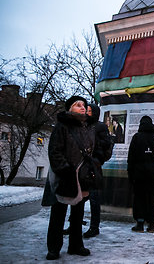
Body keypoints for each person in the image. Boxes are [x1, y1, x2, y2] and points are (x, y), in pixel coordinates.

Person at [41, 96, 94, 260]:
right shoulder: (61, 126)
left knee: (78, 214)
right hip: (64, 175)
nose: (82, 107)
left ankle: (76, 245)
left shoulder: (86, 127)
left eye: (83, 105)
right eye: (78, 105)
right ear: (69, 108)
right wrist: (64, 169)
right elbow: (55, 151)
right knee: (58, 213)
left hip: (81, 176)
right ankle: (54, 248)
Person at [83, 103, 114, 238]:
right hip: (81, 165)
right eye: (86, 110)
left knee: (94, 198)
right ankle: (74, 224)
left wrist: (97, 159)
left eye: (90, 111)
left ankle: (94, 227)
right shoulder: (82, 125)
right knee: (78, 198)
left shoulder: (100, 127)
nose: (87, 113)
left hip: (93, 166)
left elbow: (106, 146)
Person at [127, 116, 154, 233]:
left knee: (139, 198)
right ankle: (151, 223)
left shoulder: (137, 137)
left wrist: (131, 174)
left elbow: (131, 157)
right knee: (152, 198)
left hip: (139, 174)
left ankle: (140, 223)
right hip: (153, 175)